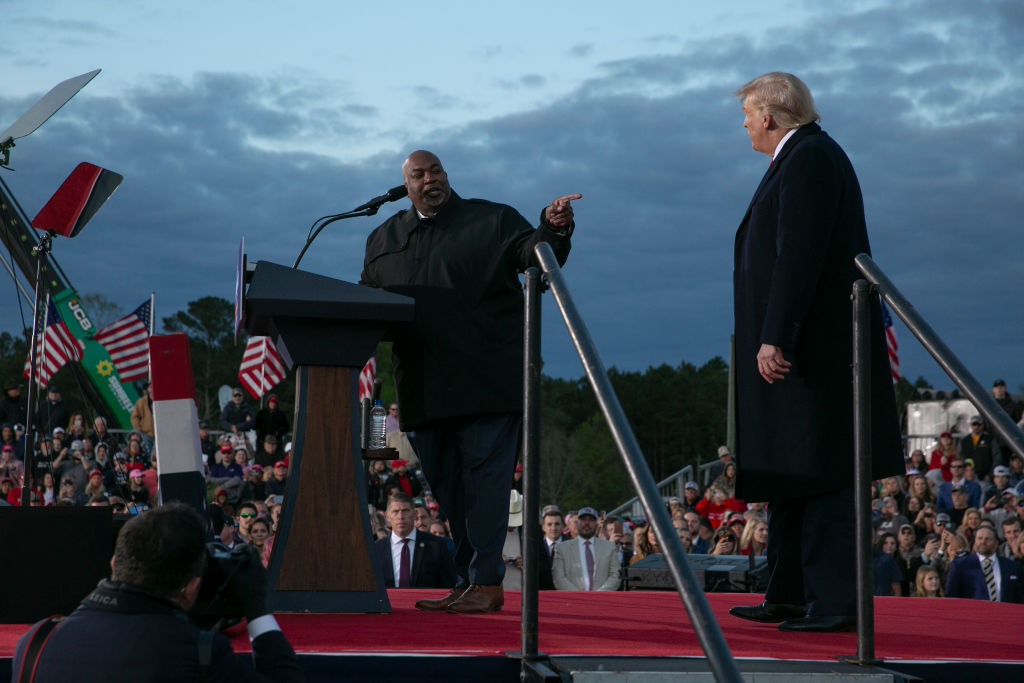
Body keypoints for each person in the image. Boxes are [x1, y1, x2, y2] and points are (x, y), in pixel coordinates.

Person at [360, 149, 579, 615]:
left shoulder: (492, 220)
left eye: (435, 170)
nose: (429, 179)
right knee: (450, 492)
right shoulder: (384, 237)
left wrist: (554, 227)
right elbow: (366, 307)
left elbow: (535, 254)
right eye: (418, 174)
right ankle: (465, 580)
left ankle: (486, 581)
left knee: (486, 487)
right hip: (423, 389)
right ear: (405, 184)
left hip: (487, 386)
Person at [727, 73, 903, 634]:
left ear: (771, 118)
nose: (745, 125)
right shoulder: (800, 156)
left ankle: (833, 602)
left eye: (749, 115)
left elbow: (797, 253)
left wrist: (776, 333)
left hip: (813, 355)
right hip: (797, 353)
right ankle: (788, 593)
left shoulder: (809, 159)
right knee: (788, 471)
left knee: (822, 472)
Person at [11, 502, 302, 681]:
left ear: (114, 562)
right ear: (190, 588)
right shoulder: (199, 654)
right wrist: (257, 610)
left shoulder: (36, 641)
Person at [374, 492, 457, 589]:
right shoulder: (376, 549)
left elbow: (449, 587)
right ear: (387, 516)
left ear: (414, 514)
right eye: (395, 511)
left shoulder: (437, 546)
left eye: (405, 511)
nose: (401, 517)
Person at [944, 526, 1023, 602]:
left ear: (996, 543)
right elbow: (951, 597)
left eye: (987, 539)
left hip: (1005, 614)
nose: (983, 542)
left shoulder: (1012, 566)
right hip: (972, 614)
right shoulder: (960, 565)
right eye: (979, 538)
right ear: (975, 541)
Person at [552, 508, 621, 591]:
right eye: (583, 519)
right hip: (572, 600)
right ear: (577, 523)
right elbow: (559, 578)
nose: (587, 523)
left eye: (591, 520)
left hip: (601, 600)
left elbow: (615, 575)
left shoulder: (609, 547)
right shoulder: (562, 548)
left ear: (597, 524)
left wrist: (599, 595)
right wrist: (580, 597)